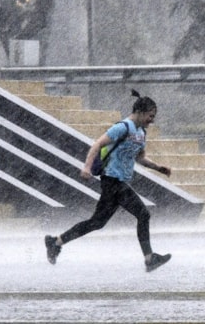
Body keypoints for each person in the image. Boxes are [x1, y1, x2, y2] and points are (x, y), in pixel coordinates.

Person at [44, 89, 173, 272]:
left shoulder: (141, 133)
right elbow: (97, 144)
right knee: (143, 214)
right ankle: (149, 258)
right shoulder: (122, 127)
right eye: (150, 116)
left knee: (97, 222)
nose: (152, 120)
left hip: (117, 183)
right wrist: (87, 167)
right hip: (112, 181)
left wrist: (159, 168)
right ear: (140, 112)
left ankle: (55, 242)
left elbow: (140, 158)